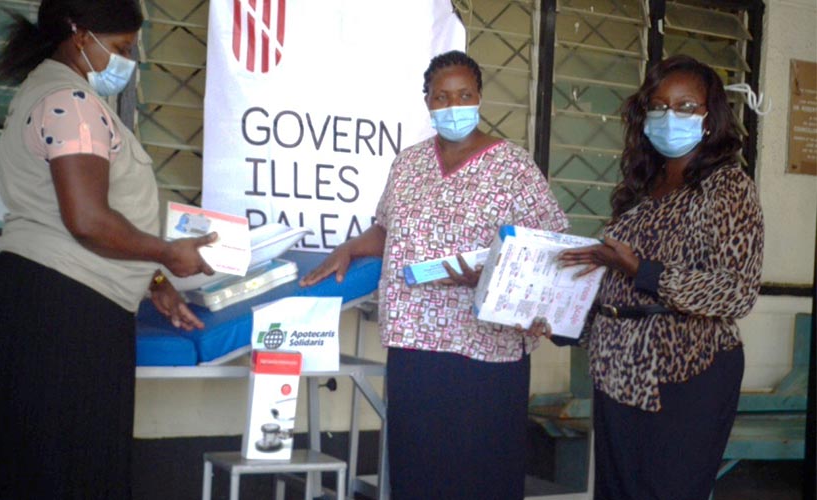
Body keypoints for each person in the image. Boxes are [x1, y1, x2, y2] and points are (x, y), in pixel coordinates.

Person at [0, 1, 215, 498]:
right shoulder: (71, 102)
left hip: (47, 300)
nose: (129, 61)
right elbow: (88, 220)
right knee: (65, 469)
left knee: (32, 467)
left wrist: (155, 280)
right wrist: (166, 254)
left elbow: (95, 218)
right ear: (81, 35)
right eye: (122, 47)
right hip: (65, 313)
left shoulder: (49, 90)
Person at [300, 50, 568, 499]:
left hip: (486, 348)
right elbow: (387, 229)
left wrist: (489, 272)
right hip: (416, 344)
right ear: (427, 101)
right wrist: (349, 249)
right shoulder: (408, 164)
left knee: (481, 472)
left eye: (464, 95)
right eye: (441, 97)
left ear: (479, 97)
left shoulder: (513, 166)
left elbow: (549, 244)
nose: (453, 105)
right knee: (418, 469)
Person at [557, 55, 764, 500]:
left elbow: (737, 290)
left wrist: (642, 270)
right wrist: (558, 321)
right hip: (616, 369)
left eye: (686, 106)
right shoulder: (640, 186)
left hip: (687, 370)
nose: (670, 116)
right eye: (659, 106)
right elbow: (614, 289)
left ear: (710, 118)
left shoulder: (727, 187)